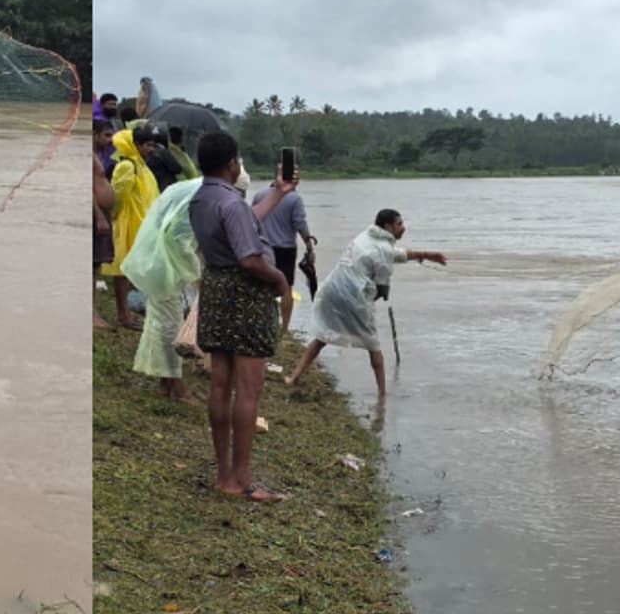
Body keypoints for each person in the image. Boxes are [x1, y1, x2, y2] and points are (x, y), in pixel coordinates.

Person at [189, 131, 297, 503]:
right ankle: (242, 480)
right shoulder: (230, 202)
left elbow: (242, 223)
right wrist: (280, 279)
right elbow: (250, 257)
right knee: (249, 389)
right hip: (245, 296)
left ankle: (224, 475)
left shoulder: (202, 198)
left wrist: (278, 193)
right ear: (232, 163)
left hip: (217, 292)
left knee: (221, 385)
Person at [283, 209, 446, 396]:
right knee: (373, 344)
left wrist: (428, 254)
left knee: (322, 336)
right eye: (399, 224)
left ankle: (293, 377)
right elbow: (383, 284)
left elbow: (396, 254)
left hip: (332, 289)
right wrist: (377, 297)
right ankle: (382, 395)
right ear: (388, 227)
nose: (403, 228)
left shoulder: (365, 236)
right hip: (352, 295)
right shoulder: (383, 249)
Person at [122, 177, 204, 403]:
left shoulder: (188, 191)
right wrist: (197, 273)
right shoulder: (195, 199)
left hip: (161, 265)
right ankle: (175, 385)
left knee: (160, 323)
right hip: (165, 269)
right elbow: (179, 239)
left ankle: (165, 382)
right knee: (170, 325)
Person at [102, 124, 160, 330]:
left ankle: (127, 313)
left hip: (140, 224)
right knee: (123, 273)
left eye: (152, 145)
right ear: (136, 145)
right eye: (148, 145)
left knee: (131, 272)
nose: (151, 150)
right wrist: (115, 221)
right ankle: (124, 315)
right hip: (128, 224)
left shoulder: (141, 165)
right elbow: (117, 197)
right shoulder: (127, 166)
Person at [251, 179, 316, 326]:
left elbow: (251, 220)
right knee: (287, 289)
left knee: (262, 286)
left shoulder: (259, 195)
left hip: (262, 248)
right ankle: (285, 329)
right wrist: (309, 246)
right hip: (285, 249)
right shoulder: (294, 198)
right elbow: (300, 224)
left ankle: (263, 322)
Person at [94, 120, 118, 329]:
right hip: (96, 215)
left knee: (95, 266)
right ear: (94, 135)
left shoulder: (100, 156)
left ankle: (93, 312)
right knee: (90, 267)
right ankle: (91, 315)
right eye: (107, 135)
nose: (111, 140)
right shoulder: (89, 156)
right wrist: (99, 216)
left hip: (102, 213)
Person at [146, 127, 185, 192]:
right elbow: (178, 168)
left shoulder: (146, 152)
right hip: (167, 188)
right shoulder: (163, 152)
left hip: (153, 188)